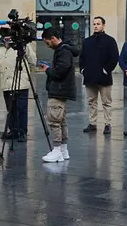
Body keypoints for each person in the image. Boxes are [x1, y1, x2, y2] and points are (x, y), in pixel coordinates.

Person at [40, 28, 79, 163]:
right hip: (62, 90)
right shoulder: (64, 50)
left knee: (54, 120)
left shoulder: (63, 51)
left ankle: (57, 150)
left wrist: (48, 70)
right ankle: (63, 150)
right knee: (61, 120)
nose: (47, 45)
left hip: (59, 90)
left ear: (53, 38)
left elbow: (59, 72)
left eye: (47, 42)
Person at [80, 16, 120, 135]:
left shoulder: (110, 40)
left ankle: (108, 124)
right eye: (94, 24)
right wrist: (83, 70)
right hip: (90, 77)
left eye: (98, 24)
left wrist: (106, 70)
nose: (96, 26)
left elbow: (114, 57)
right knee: (91, 101)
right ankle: (92, 123)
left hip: (104, 77)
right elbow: (82, 57)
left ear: (103, 25)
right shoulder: (87, 41)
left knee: (106, 102)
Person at [0, 36, 28, 141]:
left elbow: (32, 60)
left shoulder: (22, 43)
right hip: (6, 82)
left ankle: (22, 132)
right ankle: (13, 130)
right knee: (10, 108)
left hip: (20, 81)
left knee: (21, 108)